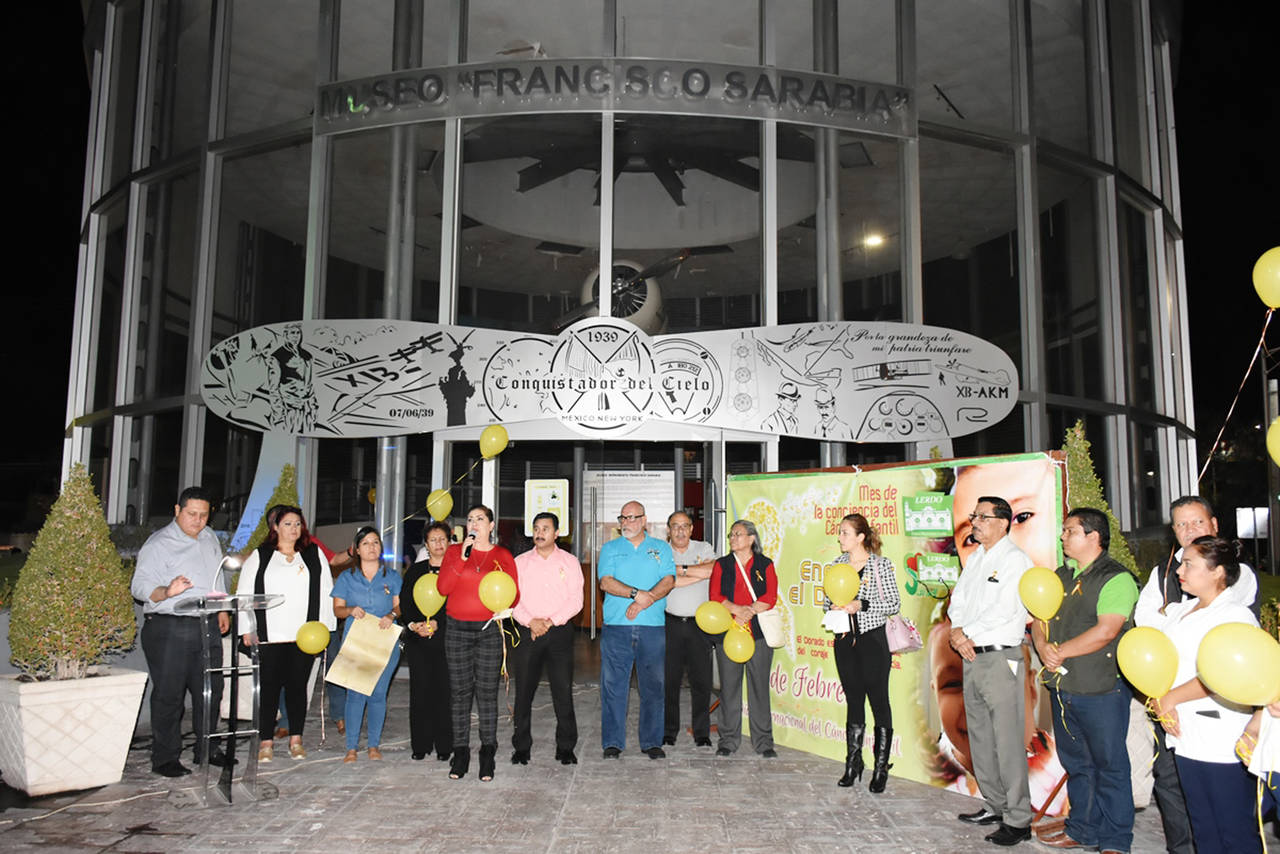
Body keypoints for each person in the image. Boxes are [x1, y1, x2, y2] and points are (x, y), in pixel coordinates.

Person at [1130, 495, 1258, 854]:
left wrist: (1168, 699)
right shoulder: (1180, 611)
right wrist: (1162, 700)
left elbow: (1221, 672)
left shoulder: (1234, 615)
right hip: (1183, 733)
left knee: (1234, 829)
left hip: (1221, 735)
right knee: (1202, 825)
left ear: (1217, 572)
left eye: (1189, 564)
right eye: (1181, 562)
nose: (1179, 570)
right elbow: (1152, 641)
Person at [1032, 507, 1139, 853]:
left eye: (1070, 531)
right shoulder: (1061, 575)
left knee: (1110, 766)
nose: (1063, 536)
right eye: (1064, 531)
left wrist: (1059, 651)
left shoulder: (1116, 578)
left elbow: (1107, 630)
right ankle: (1082, 829)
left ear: (1094, 536)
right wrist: (1042, 646)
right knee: (1078, 764)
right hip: (1064, 687)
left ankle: (1115, 840)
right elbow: (1038, 619)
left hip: (1101, 688)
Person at [947, 496, 1035, 847]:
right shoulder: (976, 558)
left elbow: (1006, 609)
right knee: (981, 737)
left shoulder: (1015, 560)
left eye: (982, 517)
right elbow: (958, 601)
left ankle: (1019, 819)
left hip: (1001, 657)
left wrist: (965, 633)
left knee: (1007, 740)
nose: (975, 523)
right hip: (971, 655)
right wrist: (957, 632)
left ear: (1003, 522)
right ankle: (995, 804)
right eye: (974, 516)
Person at [131, 486, 231, 777]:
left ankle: (207, 749)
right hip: (170, 626)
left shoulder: (209, 537)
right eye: (191, 514)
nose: (198, 521)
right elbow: (139, 586)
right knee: (170, 695)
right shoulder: (158, 544)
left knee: (211, 690)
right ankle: (165, 758)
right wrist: (167, 590)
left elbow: (216, 577)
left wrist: (222, 608)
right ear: (177, 510)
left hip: (206, 623)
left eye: (203, 515)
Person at [236, 504, 335, 762]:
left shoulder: (313, 553)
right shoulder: (261, 555)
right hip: (269, 635)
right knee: (268, 689)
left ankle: (296, 739)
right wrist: (246, 628)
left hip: (303, 635)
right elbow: (244, 593)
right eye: (288, 524)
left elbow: (326, 591)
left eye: (298, 524)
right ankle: (265, 742)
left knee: (297, 689)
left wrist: (325, 627)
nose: (294, 528)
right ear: (276, 527)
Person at [436, 504, 518, 781]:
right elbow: (443, 588)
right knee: (460, 693)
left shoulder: (502, 555)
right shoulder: (453, 552)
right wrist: (462, 557)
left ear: (491, 526)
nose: (474, 523)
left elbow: (515, 593)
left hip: (489, 630)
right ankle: (460, 752)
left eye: (480, 519)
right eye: (470, 519)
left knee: (486, 693)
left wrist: (504, 606)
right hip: (457, 629)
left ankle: (487, 752)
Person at [825, 513, 901, 792]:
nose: (840, 538)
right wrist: (833, 607)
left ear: (860, 537)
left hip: (873, 641)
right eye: (839, 532)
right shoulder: (836, 565)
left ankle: (881, 768)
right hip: (845, 640)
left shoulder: (880, 565)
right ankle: (853, 763)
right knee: (854, 700)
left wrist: (862, 604)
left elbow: (893, 603)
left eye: (845, 533)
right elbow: (826, 602)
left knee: (879, 701)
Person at [597, 500, 676, 760]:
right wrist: (635, 594)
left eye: (632, 517)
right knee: (613, 687)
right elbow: (606, 582)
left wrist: (645, 600)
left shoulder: (660, 548)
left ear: (644, 520)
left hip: (652, 627)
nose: (627, 522)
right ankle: (612, 742)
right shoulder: (610, 548)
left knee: (653, 686)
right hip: (616, 628)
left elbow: (669, 580)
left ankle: (652, 742)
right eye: (623, 518)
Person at [510, 512, 584, 765]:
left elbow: (576, 600)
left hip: (559, 632)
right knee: (523, 693)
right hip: (527, 630)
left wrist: (550, 622)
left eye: (545, 528)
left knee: (562, 691)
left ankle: (566, 747)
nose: (539, 533)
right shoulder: (520, 562)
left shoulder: (570, 562)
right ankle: (521, 747)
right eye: (536, 528)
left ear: (557, 533)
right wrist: (531, 621)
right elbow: (512, 599)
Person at [331, 526, 402, 763]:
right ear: (357, 550)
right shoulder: (347, 577)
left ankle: (373, 745)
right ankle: (351, 747)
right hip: (357, 639)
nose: (372, 547)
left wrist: (392, 614)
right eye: (366, 543)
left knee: (378, 694)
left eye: (375, 542)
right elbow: (338, 610)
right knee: (355, 694)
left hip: (384, 638)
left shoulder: (392, 576)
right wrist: (351, 610)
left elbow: (399, 605)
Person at [709, 519, 779, 758]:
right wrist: (736, 610)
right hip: (729, 634)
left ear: (751, 538)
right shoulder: (722, 564)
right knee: (729, 688)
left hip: (758, 635)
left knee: (759, 688)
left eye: (738, 534)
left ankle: (764, 742)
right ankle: (728, 741)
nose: (732, 538)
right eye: (731, 535)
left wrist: (748, 611)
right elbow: (715, 595)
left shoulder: (764, 564)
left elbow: (770, 596)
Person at [663, 510, 717, 748]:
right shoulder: (662, 551)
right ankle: (668, 732)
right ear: (668, 530)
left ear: (692, 529)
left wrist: (680, 571)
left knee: (701, 682)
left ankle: (701, 733)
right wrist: (697, 573)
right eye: (675, 526)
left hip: (699, 625)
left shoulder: (704, 548)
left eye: (685, 526)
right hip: (670, 624)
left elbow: (713, 570)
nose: (680, 531)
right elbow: (664, 579)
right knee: (669, 681)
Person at [400, 521, 453, 762]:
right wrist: (414, 625)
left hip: (445, 640)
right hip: (418, 641)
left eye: (442, 539)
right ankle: (420, 745)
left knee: (443, 693)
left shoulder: (454, 572)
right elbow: (406, 602)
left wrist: (438, 623)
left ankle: (444, 746)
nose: (438, 544)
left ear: (449, 542)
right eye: (433, 540)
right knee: (420, 693)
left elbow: (455, 604)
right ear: (426, 545)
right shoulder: (416, 570)